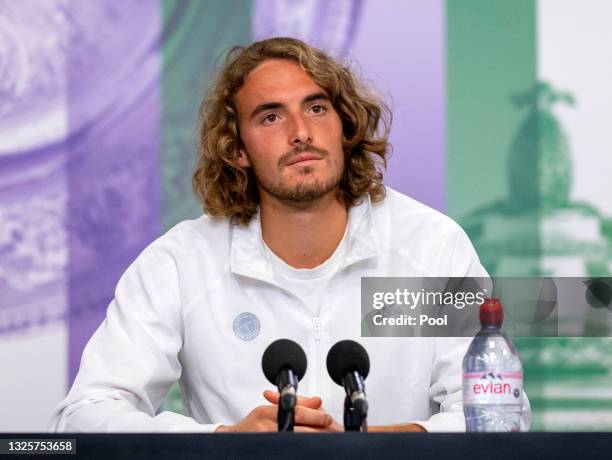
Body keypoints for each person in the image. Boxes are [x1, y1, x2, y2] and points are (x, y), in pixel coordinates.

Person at [50, 37, 529, 433]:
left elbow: (499, 416)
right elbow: (83, 416)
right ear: (236, 149)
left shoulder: (429, 247)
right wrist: (225, 442)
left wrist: (361, 446)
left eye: (317, 108)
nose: (301, 132)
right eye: (271, 116)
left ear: (345, 125)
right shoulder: (181, 262)